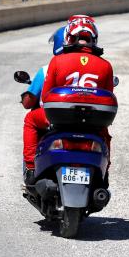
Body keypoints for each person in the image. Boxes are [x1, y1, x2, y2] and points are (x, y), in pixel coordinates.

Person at [23, 16, 114, 185]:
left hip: (59, 118)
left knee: (30, 120)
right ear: (94, 39)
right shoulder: (106, 65)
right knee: (105, 136)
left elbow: (46, 96)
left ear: (69, 37)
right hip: (92, 121)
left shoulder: (57, 61)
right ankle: (105, 174)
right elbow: (109, 95)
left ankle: (30, 168)